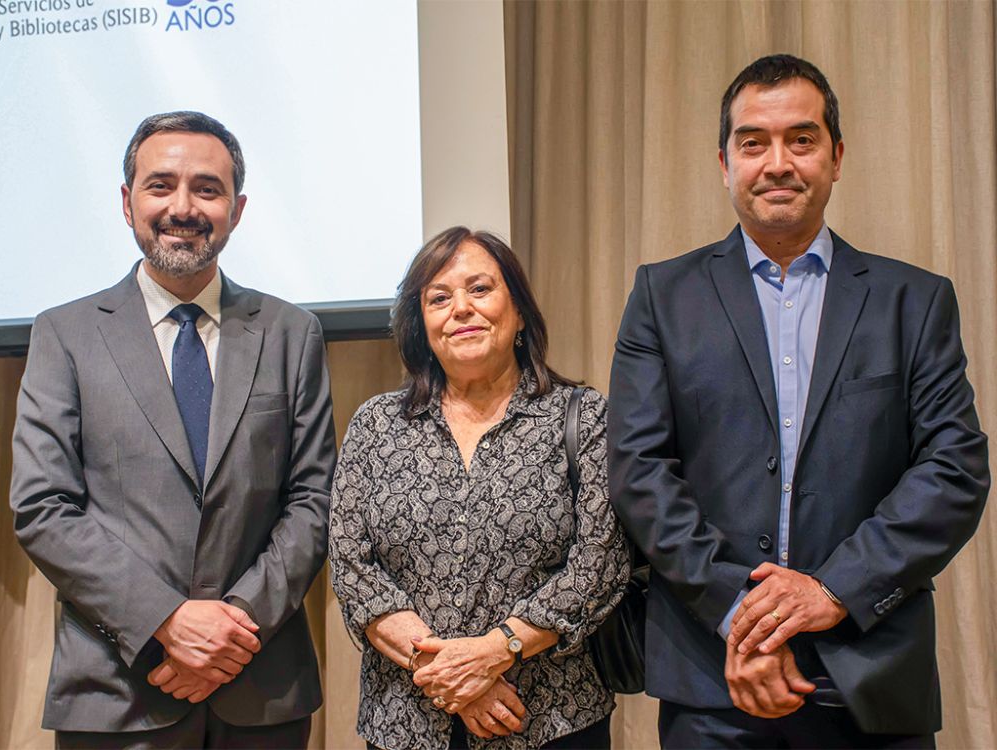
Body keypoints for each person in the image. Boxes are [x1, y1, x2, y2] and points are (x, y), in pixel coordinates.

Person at [607, 54, 989, 748]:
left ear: (836, 157)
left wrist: (832, 589)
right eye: (753, 142)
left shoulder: (915, 301)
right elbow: (639, 473)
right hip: (714, 674)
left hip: (870, 672)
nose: (777, 162)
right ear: (724, 163)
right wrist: (741, 614)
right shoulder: (662, 298)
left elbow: (954, 470)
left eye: (801, 140)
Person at [10, 111, 335, 748]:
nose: (182, 207)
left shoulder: (292, 333)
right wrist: (166, 620)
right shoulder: (64, 334)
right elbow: (43, 507)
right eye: (161, 186)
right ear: (127, 202)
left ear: (237, 210)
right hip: (117, 688)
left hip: (261, 684)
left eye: (207, 189)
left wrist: (235, 625)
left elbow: (314, 501)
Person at [329, 226, 629, 749]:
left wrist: (496, 652)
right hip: (405, 722)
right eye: (439, 298)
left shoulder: (582, 417)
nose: (460, 309)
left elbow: (599, 565)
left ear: (518, 313)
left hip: (550, 720)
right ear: (422, 325)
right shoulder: (376, 425)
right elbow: (352, 567)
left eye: (480, 289)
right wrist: (457, 682)